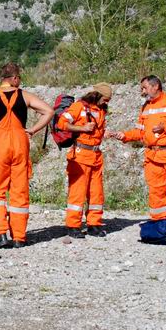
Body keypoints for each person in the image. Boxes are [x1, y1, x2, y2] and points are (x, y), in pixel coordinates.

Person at [0, 63, 54, 248]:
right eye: (19, 78)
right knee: (19, 190)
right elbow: (49, 111)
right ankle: (19, 237)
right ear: (14, 78)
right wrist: (33, 129)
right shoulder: (24, 95)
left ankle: (0, 234)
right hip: (20, 145)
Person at [109, 75, 166, 239]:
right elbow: (140, 132)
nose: (142, 91)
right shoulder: (145, 107)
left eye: (144, 88)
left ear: (155, 86)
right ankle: (159, 224)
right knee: (156, 191)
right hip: (152, 155)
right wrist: (125, 135)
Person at [57, 83, 112, 239]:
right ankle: (73, 226)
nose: (106, 103)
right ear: (97, 95)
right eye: (105, 99)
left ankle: (94, 224)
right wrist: (82, 128)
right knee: (78, 192)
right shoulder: (79, 107)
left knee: (96, 193)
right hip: (80, 156)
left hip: (96, 156)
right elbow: (61, 123)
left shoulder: (100, 110)